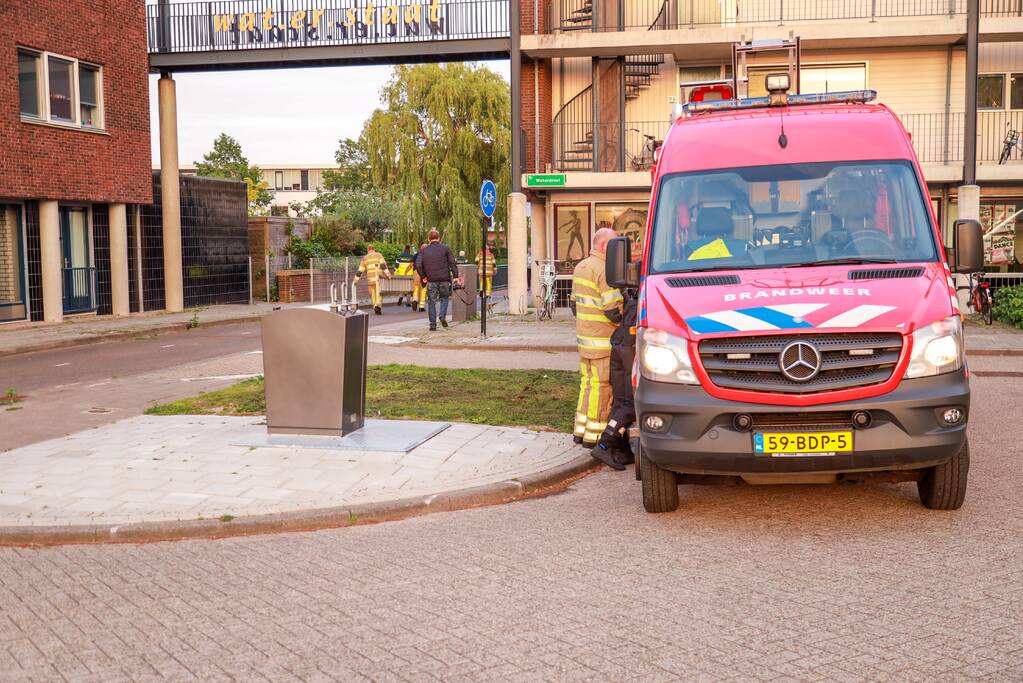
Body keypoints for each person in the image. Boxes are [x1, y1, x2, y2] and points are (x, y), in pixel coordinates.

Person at [571, 228, 624, 451]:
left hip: (584, 341)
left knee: (587, 385)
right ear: (604, 246)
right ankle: (596, 435)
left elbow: (574, 305)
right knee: (602, 388)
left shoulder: (580, 266)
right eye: (613, 245)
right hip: (603, 342)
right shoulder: (604, 269)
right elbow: (613, 310)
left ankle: (580, 430)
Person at [593, 282, 639, 471]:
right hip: (630, 349)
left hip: (618, 346)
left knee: (620, 402)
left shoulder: (633, 296)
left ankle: (621, 450)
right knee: (631, 404)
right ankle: (604, 444)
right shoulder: (646, 296)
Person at [414, 229, 461, 331]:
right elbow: (452, 263)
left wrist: (423, 276)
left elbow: (418, 265)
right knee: (444, 298)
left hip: (431, 281)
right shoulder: (446, 248)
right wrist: (456, 276)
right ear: (438, 238)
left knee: (431, 302)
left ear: (428, 239)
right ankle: (442, 316)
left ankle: (433, 325)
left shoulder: (424, 251)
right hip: (444, 280)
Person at [353, 243, 390, 315]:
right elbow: (383, 266)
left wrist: (355, 280)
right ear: (374, 249)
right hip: (379, 278)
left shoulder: (365, 258)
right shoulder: (379, 255)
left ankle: (375, 306)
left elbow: (360, 270)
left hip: (371, 279)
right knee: (380, 292)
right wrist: (388, 274)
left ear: (368, 250)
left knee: (373, 293)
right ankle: (378, 306)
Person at [410, 242, 428, 312]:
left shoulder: (416, 255)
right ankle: (421, 306)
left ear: (421, 248)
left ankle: (415, 299)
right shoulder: (428, 255)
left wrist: (407, 272)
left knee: (416, 287)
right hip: (424, 273)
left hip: (416, 272)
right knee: (423, 289)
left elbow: (411, 264)